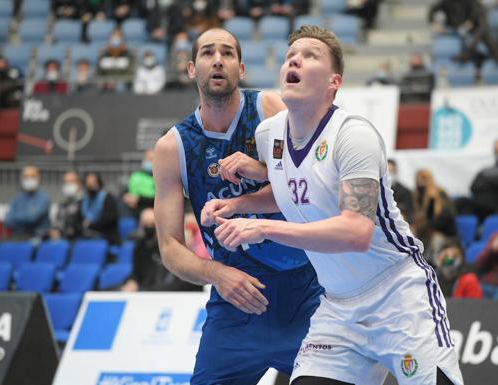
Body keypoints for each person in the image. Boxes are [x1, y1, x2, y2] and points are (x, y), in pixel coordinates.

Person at [203, 25, 463, 385]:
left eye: (310, 55)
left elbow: (356, 231)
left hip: (399, 295)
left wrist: (261, 226)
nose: (295, 58)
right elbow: (296, 190)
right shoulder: (269, 135)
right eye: (291, 54)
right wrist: (237, 204)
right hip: (338, 308)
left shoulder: (353, 135)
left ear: (333, 82)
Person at [152, 27, 323, 385]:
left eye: (228, 53)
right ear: (190, 69)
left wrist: (256, 176)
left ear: (241, 69)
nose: (218, 60)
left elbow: (309, 190)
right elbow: (169, 248)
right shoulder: (174, 147)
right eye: (208, 53)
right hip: (235, 299)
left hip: (304, 292)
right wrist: (217, 275)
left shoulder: (269, 111)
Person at [120, 208, 204, 291]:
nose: (149, 228)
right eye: (145, 224)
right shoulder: (140, 247)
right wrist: (132, 281)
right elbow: (136, 273)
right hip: (145, 290)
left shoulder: (171, 245)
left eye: (152, 224)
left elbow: (177, 277)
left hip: (170, 291)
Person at [456, 138, 498, 221]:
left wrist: (488, 182)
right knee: (460, 202)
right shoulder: (485, 170)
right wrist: (497, 183)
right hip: (479, 205)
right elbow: (474, 187)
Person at [5, 165, 51, 239]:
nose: (29, 179)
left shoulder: (44, 198)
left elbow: (32, 218)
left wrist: (16, 217)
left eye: (32, 176)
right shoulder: (16, 199)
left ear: (38, 178)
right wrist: (26, 216)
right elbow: (8, 221)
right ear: (21, 179)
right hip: (18, 237)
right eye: (26, 177)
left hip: (38, 239)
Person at [81, 172, 120, 244]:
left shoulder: (108, 198)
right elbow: (79, 220)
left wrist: (90, 225)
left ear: (99, 182)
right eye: (88, 183)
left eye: (93, 182)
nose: (91, 185)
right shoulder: (84, 200)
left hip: (107, 236)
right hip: (87, 236)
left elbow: (110, 219)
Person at [50, 170, 83, 240]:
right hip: (62, 241)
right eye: (66, 182)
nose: (68, 185)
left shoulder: (85, 204)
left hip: (80, 241)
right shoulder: (59, 206)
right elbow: (55, 225)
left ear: (79, 184)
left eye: (71, 181)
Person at [123, 149, 156, 218]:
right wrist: (127, 197)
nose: (149, 162)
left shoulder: (161, 178)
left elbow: (157, 198)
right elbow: (126, 193)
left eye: (152, 159)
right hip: (134, 211)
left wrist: (139, 199)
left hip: (153, 211)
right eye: (147, 159)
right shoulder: (135, 176)